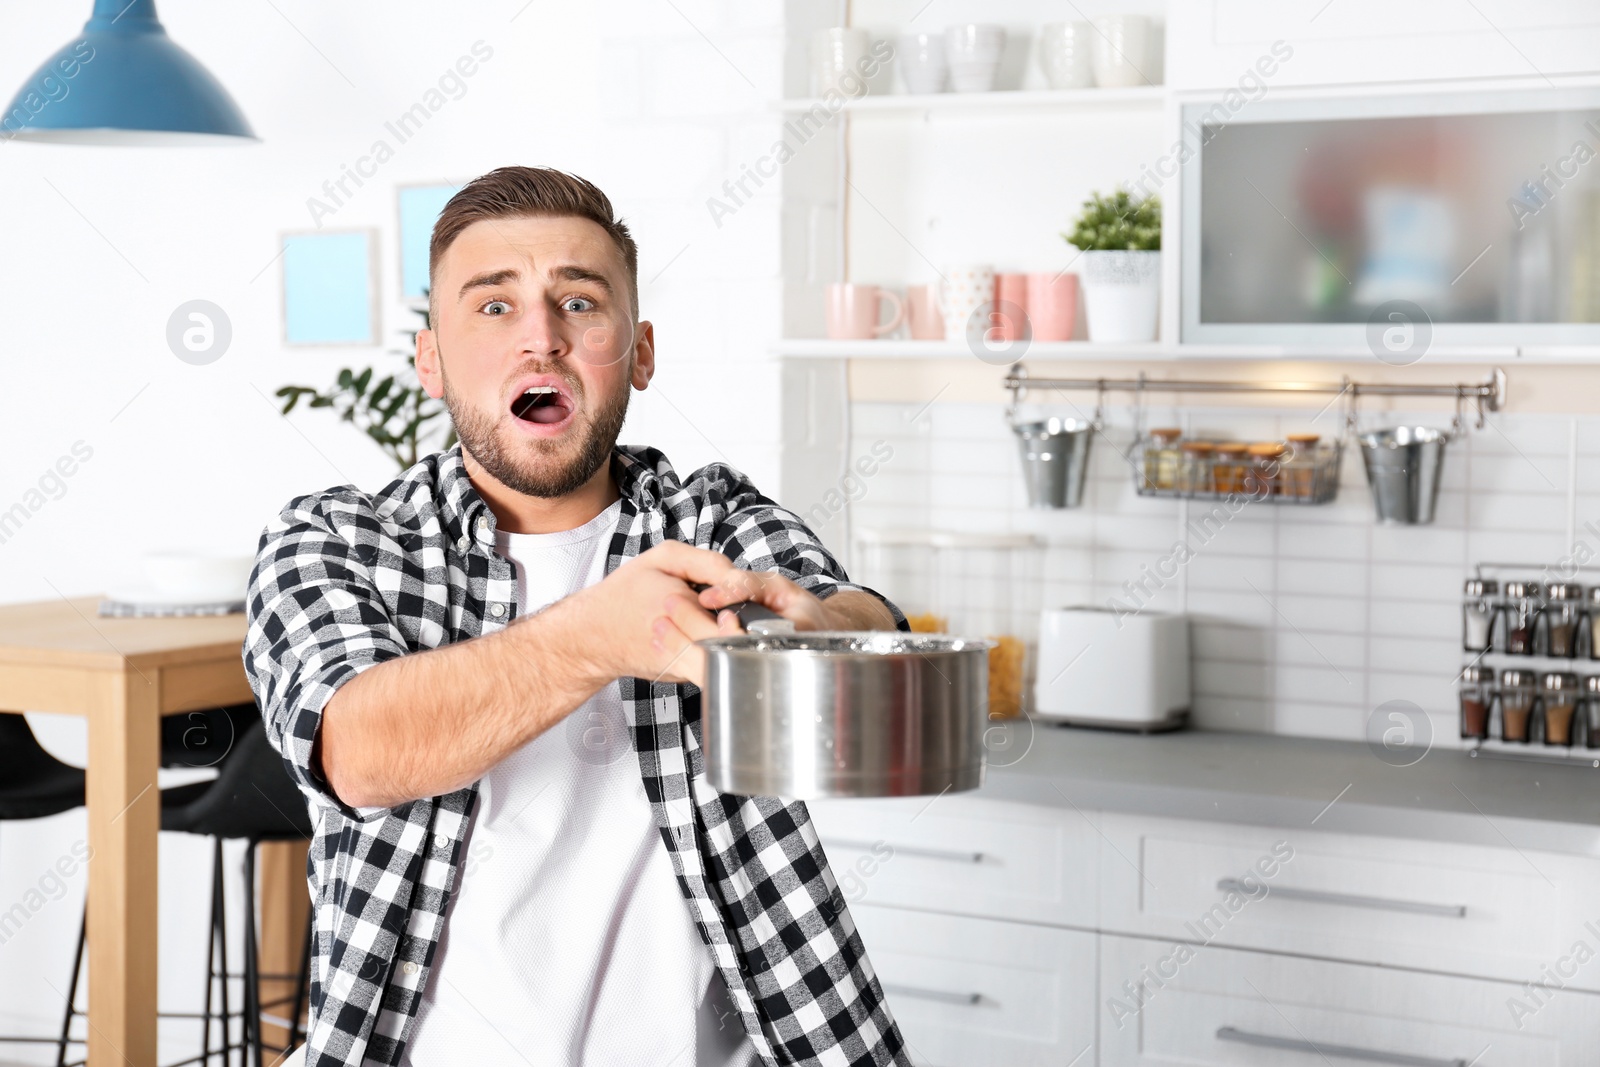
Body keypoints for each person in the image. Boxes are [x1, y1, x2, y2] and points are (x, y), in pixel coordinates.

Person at [244, 166, 910, 1067]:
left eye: (580, 303)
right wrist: (597, 636)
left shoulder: (708, 520)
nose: (542, 340)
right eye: (492, 307)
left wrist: (826, 627)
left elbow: (858, 621)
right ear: (430, 360)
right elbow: (357, 753)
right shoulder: (336, 541)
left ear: (637, 352)